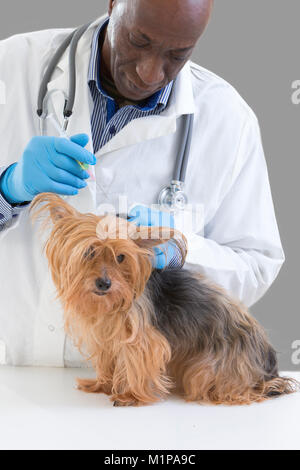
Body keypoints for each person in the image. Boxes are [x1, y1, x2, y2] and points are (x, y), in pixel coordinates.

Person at [0, 0, 284, 367]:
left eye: (177, 54)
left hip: (141, 389)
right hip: (11, 371)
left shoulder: (228, 119)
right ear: (114, 5)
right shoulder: (11, 67)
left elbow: (256, 264)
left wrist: (183, 251)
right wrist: (9, 189)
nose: (150, 73)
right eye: (139, 40)